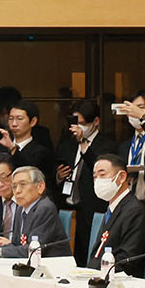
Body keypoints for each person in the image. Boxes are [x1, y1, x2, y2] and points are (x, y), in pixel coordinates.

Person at [54, 101, 108, 261]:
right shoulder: (68, 143)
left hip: (90, 208)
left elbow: (99, 167)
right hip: (68, 207)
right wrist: (58, 176)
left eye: (82, 124)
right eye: (75, 123)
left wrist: (83, 143)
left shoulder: (106, 144)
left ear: (96, 121)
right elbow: (55, 166)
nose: (78, 128)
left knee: (88, 254)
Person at [83, 155, 145, 276]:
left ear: (121, 177)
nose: (97, 181)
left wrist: (95, 271)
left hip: (118, 279)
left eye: (102, 175)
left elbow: (128, 258)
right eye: (95, 177)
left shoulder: (135, 211)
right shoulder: (111, 209)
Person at [0, 165, 62, 258]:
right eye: (14, 186)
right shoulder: (21, 208)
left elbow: (33, 250)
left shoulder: (45, 208)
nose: (17, 191)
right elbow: (18, 245)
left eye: (23, 184)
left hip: (53, 263)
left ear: (40, 187)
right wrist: (0, 246)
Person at [0, 99, 57, 182]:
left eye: (20, 119)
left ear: (33, 122)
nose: (14, 124)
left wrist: (12, 148)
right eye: (11, 118)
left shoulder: (40, 151)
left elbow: (30, 174)